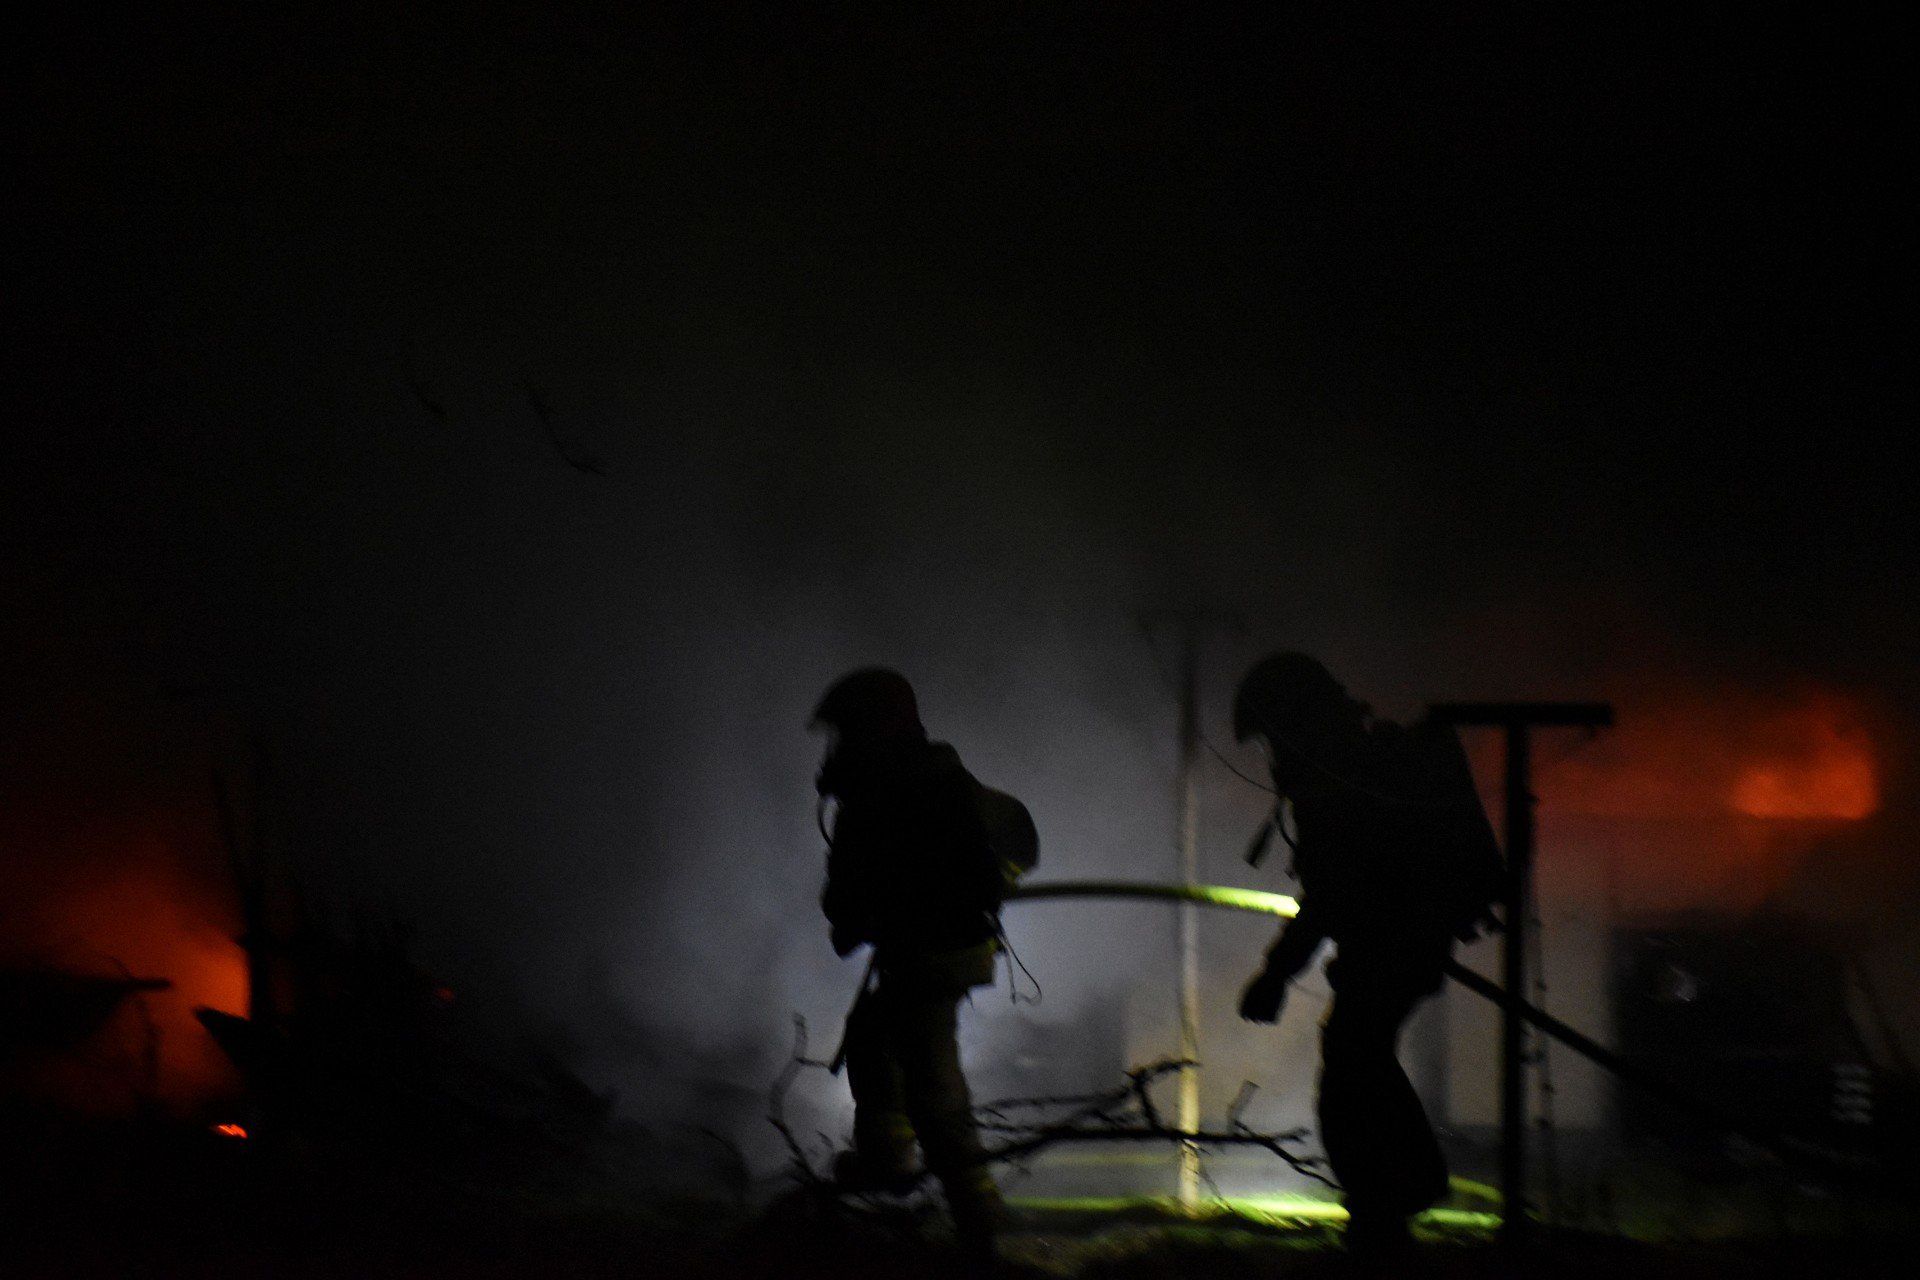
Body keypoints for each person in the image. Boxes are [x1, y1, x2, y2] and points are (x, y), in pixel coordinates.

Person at [1233, 652, 1502, 1252]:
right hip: (1399, 941)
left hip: (1394, 942)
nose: (1274, 754)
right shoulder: (1353, 767)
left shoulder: (1341, 779)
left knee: (1352, 1065)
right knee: (1359, 1058)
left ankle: (1389, 1206)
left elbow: (1331, 893)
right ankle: (1395, 1199)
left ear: (1295, 721)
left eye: (1274, 736)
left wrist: (1276, 975)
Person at [810, 667, 1005, 1258]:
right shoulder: (918, 779)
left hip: (934, 951)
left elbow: (875, 884)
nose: (839, 746)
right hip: (934, 948)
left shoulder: (900, 789)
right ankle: (890, 1161)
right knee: (873, 1037)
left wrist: (865, 915)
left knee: (930, 1080)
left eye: (847, 731)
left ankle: (977, 1217)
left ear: (875, 727)